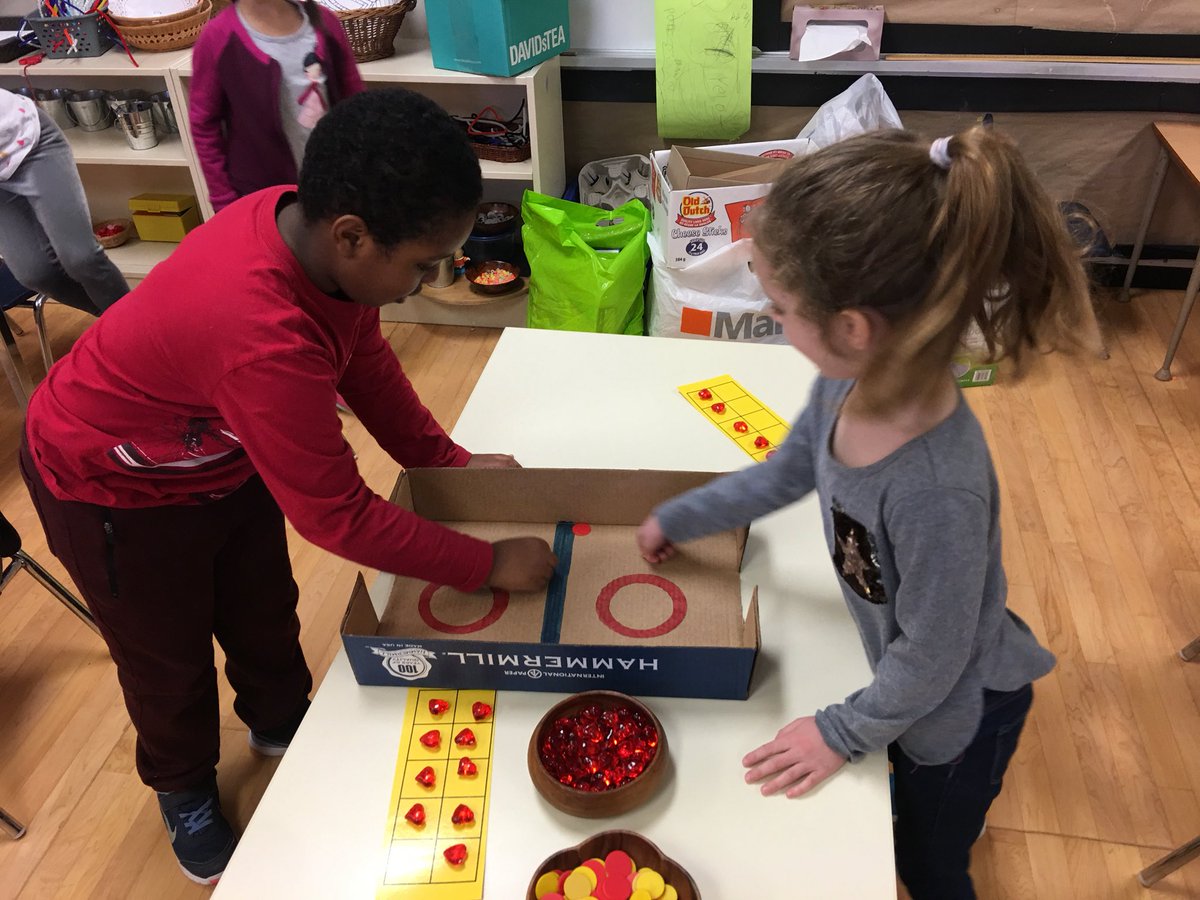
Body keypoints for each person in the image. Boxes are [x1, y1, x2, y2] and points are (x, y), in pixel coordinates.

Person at [20, 89, 557, 886]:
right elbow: (340, 518)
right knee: (166, 659)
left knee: (261, 604)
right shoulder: (262, 340)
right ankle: (184, 787)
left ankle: (277, 720)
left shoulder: (306, 232)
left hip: (218, 453)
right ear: (351, 235)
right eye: (420, 264)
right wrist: (487, 565)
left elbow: (363, 357)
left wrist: (444, 460)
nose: (424, 282)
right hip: (109, 486)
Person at [636, 127, 1101, 899]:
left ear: (852, 327)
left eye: (779, 306)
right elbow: (788, 470)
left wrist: (841, 731)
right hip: (898, 682)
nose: (771, 317)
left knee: (927, 864)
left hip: (955, 722)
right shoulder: (849, 383)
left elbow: (936, 653)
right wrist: (684, 516)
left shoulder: (933, 487)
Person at [189, 0, 363, 213]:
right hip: (263, 200)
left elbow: (356, 104)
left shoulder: (325, 22)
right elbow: (204, 126)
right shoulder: (216, 38)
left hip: (336, 190)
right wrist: (224, 201)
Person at [0, 88, 128, 314]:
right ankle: (121, 325)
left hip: (29, 141)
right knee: (35, 273)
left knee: (81, 258)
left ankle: (136, 326)